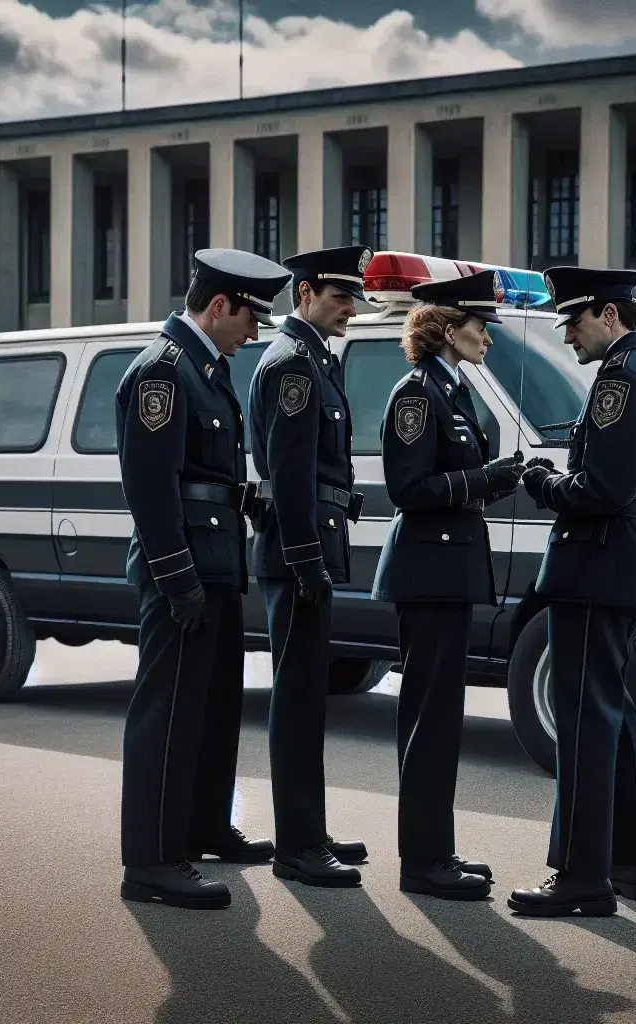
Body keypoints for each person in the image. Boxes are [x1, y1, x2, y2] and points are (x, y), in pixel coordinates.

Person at [507, 266, 636, 918]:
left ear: (610, 315)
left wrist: (542, 483)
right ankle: (631, 866)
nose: (570, 335)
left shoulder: (622, 380)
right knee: (612, 720)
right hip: (623, 566)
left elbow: (601, 492)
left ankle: (582, 878)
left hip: (595, 565)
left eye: (576, 321)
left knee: (583, 725)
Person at [116, 248, 292, 911]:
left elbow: (208, 477)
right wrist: (175, 575)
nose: (254, 333)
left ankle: (204, 826)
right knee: (165, 714)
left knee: (213, 709)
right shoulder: (163, 372)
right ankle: (152, 861)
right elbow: (150, 487)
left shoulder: (206, 369)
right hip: (182, 571)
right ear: (218, 306)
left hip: (216, 566)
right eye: (250, 317)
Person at [372, 270, 526, 901]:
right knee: (429, 720)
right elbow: (408, 490)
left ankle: (437, 851)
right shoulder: (416, 394)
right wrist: (486, 480)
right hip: (428, 573)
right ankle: (423, 862)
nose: (487, 336)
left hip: (448, 572)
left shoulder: (452, 392)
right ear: (445, 327)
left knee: (442, 718)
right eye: (479, 325)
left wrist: (497, 476)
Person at [248, 244, 372, 888]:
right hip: (298, 551)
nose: (350, 307)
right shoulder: (294, 364)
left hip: (312, 546)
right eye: (339, 296)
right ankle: (296, 846)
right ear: (304, 295)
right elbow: (290, 475)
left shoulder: (315, 360)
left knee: (308, 698)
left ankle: (309, 829)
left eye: (351, 296)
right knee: (296, 700)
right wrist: (304, 561)